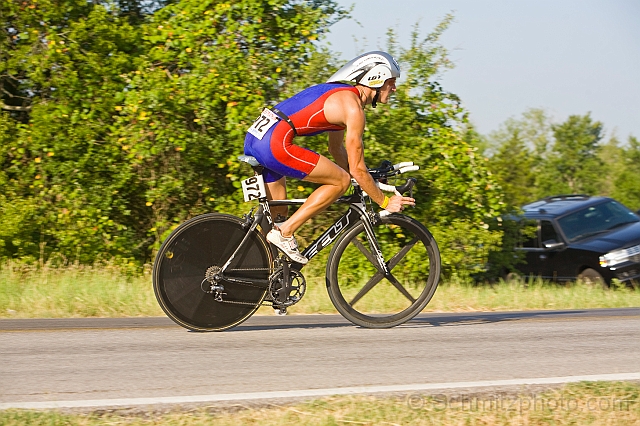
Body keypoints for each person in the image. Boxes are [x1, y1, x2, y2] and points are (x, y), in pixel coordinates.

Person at [243, 51, 415, 264]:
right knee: (340, 181)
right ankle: (285, 232)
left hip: (256, 137)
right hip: (274, 142)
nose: (394, 88)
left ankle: (263, 271)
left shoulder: (342, 94)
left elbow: (336, 150)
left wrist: (365, 180)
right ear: (376, 78)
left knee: (278, 215)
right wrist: (384, 201)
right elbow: (357, 170)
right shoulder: (353, 110)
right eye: (391, 82)